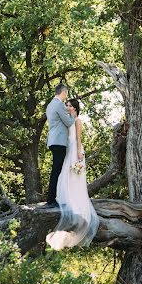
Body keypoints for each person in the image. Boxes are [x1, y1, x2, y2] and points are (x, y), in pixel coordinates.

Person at [45, 96, 100, 249]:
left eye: (68, 105)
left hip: (75, 151)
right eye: (66, 104)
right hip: (67, 150)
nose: (66, 107)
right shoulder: (67, 119)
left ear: (74, 108)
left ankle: (75, 201)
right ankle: (64, 198)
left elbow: (78, 139)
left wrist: (79, 154)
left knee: (73, 177)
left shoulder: (77, 121)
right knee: (64, 175)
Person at [44, 83, 75, 208]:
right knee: (56, 170)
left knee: (56, 170)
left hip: (53, 140)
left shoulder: (50, 105)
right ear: (63, 92)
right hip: (59, 142)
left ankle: (52, 197)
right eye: (66, 94)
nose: (66, 96)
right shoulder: (58, 104)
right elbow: (68, 122)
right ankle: (51, 199)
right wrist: (72, 116)